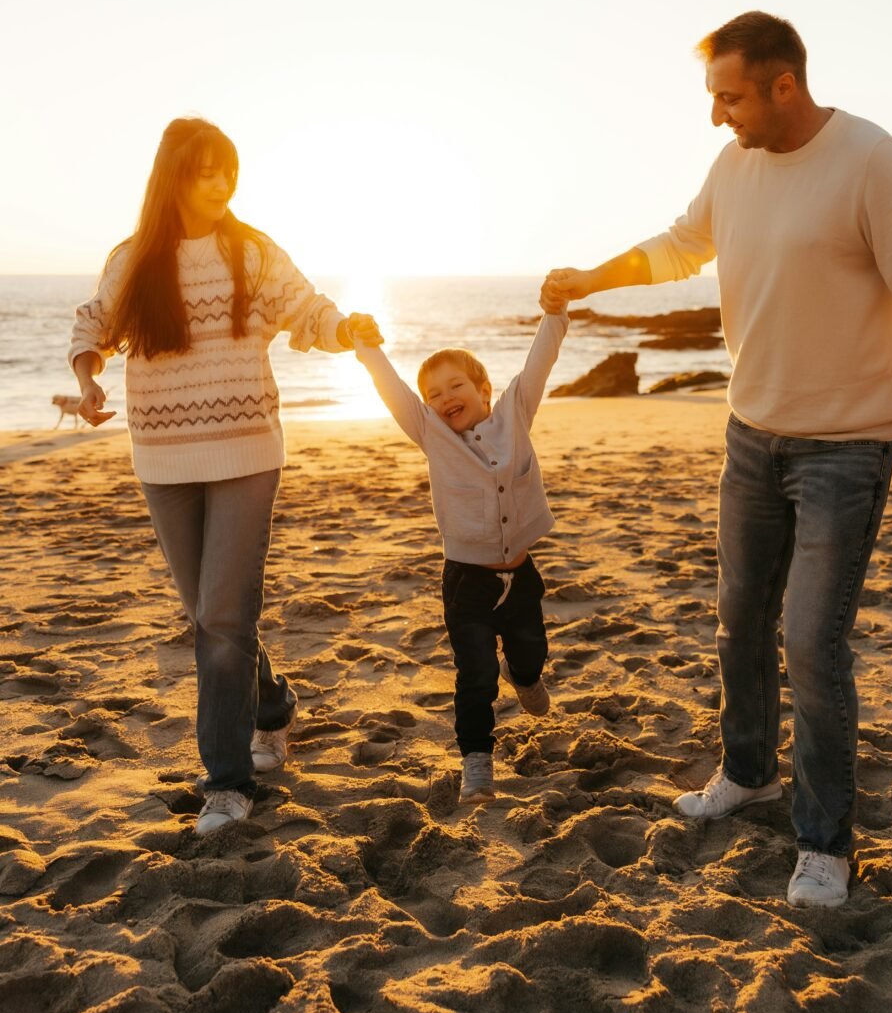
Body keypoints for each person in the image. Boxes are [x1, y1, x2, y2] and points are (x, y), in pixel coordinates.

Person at [541, 12, 892, 908]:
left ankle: (825, 842)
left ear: (784, 85)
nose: (717, 117)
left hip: (848, 450)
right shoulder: (734, 163)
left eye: (730, 97)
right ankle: (748, 773)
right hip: (752, 438)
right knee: (739, 624)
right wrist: (594, 276)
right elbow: (682, 243)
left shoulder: (873, 162)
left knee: (811, 646)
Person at [68, 117, 382, 834]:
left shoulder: (251, 252)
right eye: (206, 170)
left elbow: (309, 311)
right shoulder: (133, 261)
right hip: (163, 458)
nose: (221, 182)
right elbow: (93, 326)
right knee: (213, 616)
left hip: (246, 453)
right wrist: (88, 383)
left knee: (220, 617)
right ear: (175, 176)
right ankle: (271, 706)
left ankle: (226, 785)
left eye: (228, 170)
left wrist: (348, 330)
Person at [347, 307, 569, 802]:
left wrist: (556, 311)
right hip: (468, 583)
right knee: (477, 675)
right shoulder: (433, 436)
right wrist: (367, 349)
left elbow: (540, 362)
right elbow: (394, 391)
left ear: (483, 390)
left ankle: (524, 674)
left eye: (456, 386)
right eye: (434, 394)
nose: (445, 398)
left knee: (530, 656)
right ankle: (477, 762)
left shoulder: (515, 414)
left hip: (522, 577)